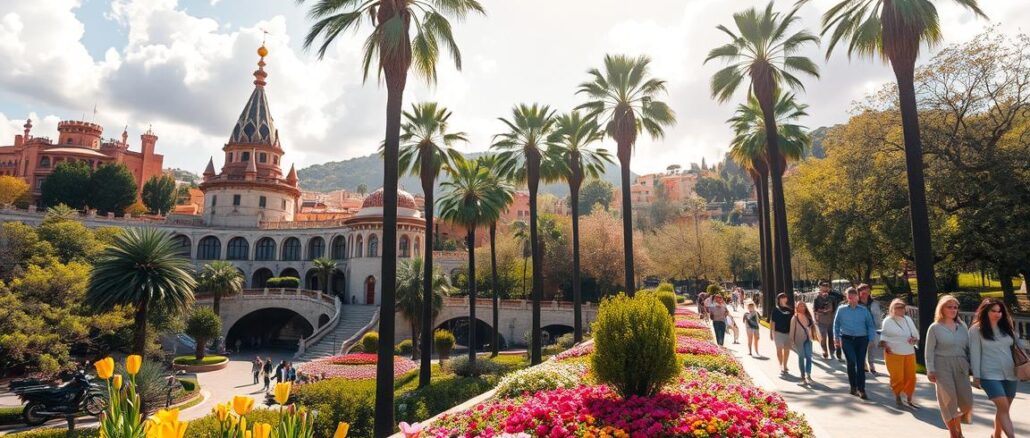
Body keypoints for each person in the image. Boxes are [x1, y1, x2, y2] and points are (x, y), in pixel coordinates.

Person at [969, 298, 1019, 438]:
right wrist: (976, 376)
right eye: (993, 311)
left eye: (1000, 311)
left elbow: (1017, 346)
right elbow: (975, 354)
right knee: (1003, 408)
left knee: (1004, 409)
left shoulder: (1006, 327)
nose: (997, 314)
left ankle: (996, 435)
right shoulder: (976, 330)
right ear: (985, 311)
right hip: (989, 375)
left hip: (1010, 374)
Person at [926, 294, 973, 438]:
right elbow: (929, 351)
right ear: (942, 309)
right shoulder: (934, 328)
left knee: (967, 402)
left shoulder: (963, 326)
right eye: (949, 307)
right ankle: (954, 433)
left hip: (961, 364)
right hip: (942, 365)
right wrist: (930, 370)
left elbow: (969, 348)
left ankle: (958, 429)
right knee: (949, 400)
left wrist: (973, 367)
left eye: (955, 307)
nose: (953, 310)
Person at [833, 287, 877, 399]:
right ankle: (853, 386)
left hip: (862, 339)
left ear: (858, 297)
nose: (852, 299)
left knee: (860, 364)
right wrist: (836, 338)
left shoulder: (864, 310)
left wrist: (872, 339)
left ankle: (861, 389)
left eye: (854, 297)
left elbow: (870, 325)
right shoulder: (841, 310)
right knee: (851, 362)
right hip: (847, 339)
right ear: (847, 298)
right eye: (849, 297)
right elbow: (836, 325)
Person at [879, 298, 919, 407]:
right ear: (893, 309)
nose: (901, 309)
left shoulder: (908, 319)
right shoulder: (888, 321)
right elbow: (883, 337)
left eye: (903, 307)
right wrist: (886, 346)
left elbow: (916, 334)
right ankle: (897, 396)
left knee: (911, 377)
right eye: (898, 307)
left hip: (909, 351)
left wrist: (914, 339)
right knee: (898, 377)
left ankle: (910, 398)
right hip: (894, 352)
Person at [789, 300, 819, 384]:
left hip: (808, 339)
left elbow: (813, 328)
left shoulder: (808, 316)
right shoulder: (794, 318)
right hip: (798, 340)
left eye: (803, 305)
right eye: (800, 306)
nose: (802, 307)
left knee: (809, 357)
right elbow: (792, 330)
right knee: (801, 356)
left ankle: (808, 375)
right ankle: (802, 376)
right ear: (797, 307)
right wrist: (791, 341)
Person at [813, 280, 842, 360]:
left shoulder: (833, 297)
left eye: (827, 286)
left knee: (831, 336)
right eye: (823, 286)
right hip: (821, 320)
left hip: (831, 319)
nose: (825, 288)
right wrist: (816, 318)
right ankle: (824, 350)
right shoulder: (817, 298)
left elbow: (837, 307)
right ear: (820, 288)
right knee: (823, 337)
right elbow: (814, 309)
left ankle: (832, 352)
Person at [857, 284, 883, 373]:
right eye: (862, 291)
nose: (865, 293)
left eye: (867, 291)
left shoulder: (875, 303)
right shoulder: (856, 303)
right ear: (859, 292)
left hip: (872, 328)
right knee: (863, 346)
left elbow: (878, 316)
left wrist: (879, 328)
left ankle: (871, 363)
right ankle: (864, 363)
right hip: (860, 328)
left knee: (871, 346)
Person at [770, 293, 794, 374]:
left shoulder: (790, 310)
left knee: (787, 350)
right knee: (779, 349)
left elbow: (793, 322)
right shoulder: (775, 309)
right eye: (781, 298)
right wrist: (771, 332)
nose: (783, 299)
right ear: (778, 299)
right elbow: (772, 322)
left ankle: (785, 365)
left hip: (788, 333)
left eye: (785, 297)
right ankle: (780, 365)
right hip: (778, 332)